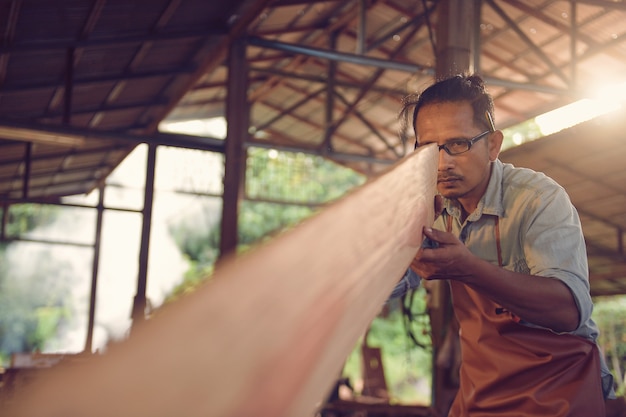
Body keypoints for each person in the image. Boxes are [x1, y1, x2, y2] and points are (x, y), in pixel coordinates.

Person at [392, 73, 615, 416]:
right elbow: (384, 283)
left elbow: (568, 311)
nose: (443, 162)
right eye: (428, 149)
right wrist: (390, 242)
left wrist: (469, 269)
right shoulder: (432, 208)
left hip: (559, 387)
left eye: (458, 144)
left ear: (493, 145)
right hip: (484, 390)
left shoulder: (538, 199)